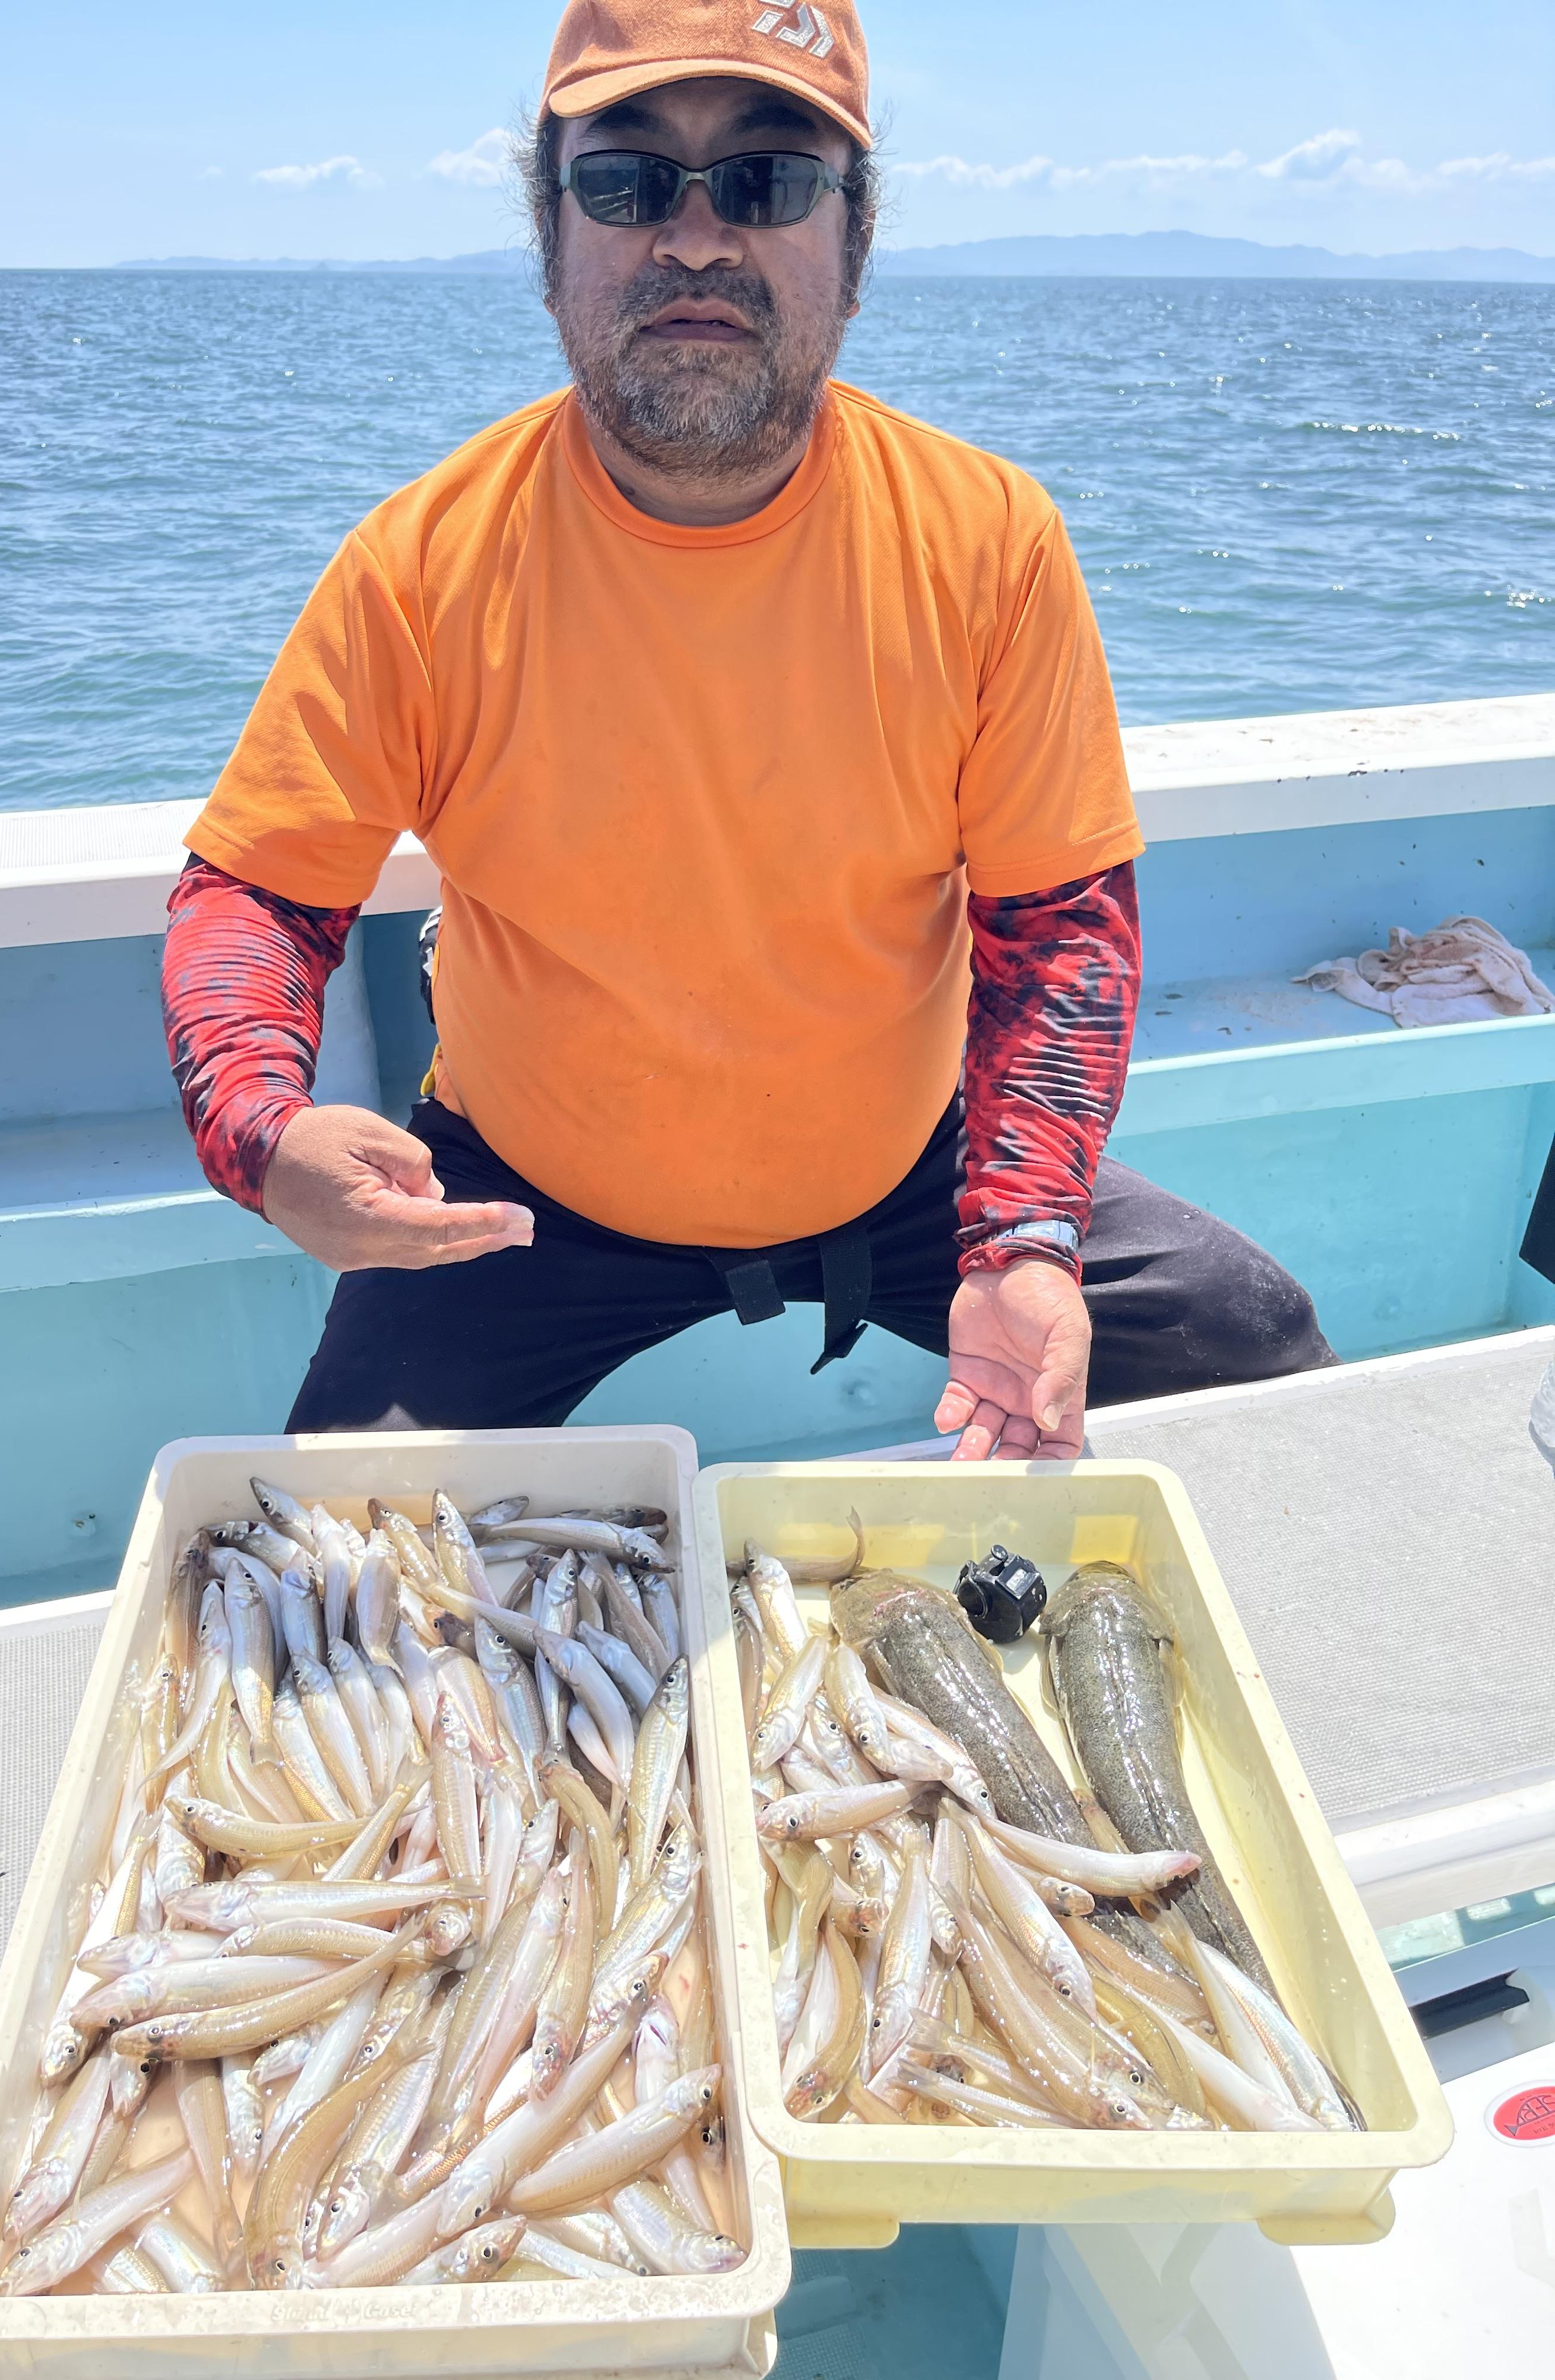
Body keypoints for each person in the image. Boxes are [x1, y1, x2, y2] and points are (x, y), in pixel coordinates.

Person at [162, 0, 1335, 1462]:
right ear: (550, 235)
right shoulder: (419, 567)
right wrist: (263, 1134)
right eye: (627, 179)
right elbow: (259, 896)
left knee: (1263, 1347)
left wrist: (1024, 1233)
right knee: (339, 1541)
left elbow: (1060, 926)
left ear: (854, 241)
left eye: (771, 179)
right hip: (519, 1193)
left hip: (919, 1172)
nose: (699, 239)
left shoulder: (990, 544)